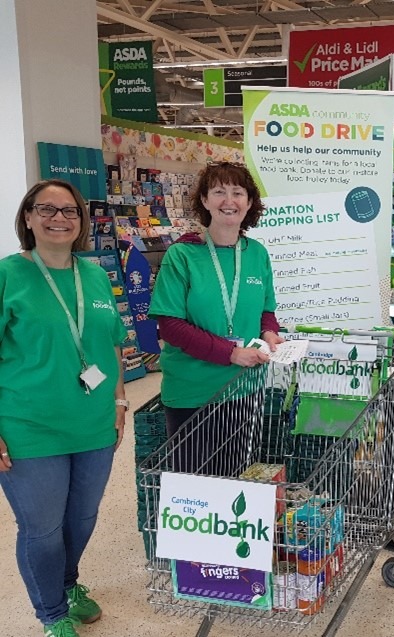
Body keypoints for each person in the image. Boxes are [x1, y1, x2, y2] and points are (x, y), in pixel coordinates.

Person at [0, 180, 128, 637]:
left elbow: (112, 342)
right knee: (42, 527)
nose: (59, 218)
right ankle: (52, 612)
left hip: (93, 425)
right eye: (47, 209)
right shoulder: (8, 275)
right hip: (27, 428)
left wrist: (118, 399)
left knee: (82, 517)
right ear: (28, 217)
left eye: (70, 211)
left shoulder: (93, 275)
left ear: (82, 221)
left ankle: (69, 584)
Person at [149, 162, 283, 474]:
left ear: (249, 202)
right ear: (205, 201)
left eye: (238, 193)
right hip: (192, 391)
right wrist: (231, 353)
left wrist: (270, 333)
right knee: (195, 488)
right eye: (219, 192)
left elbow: (266, 309)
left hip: (244, 388)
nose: (229, 200)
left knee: (238, 477)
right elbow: (171, 326)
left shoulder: (257, 254)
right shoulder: (182, 255)